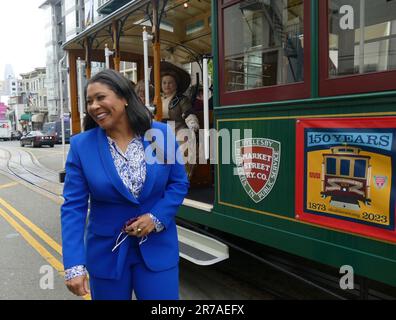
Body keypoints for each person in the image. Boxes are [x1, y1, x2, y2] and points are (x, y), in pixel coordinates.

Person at [61, 69, 189, 300]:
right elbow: (73, 207)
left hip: (157, 251)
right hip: (106, 254)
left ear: (124, 98)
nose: (93, 106)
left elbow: (178, 183)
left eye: (101, 97)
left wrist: (156, 217)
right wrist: (74, 265)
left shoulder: (160, 134)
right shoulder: (82, 146)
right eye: (89, 101)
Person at [159, 61, 200, 179]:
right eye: (164, 83)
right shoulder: (158, 99)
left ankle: (181, 178)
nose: (167, 85)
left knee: (183, 147)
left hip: (178, 130)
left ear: (176, 84)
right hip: (162, 131)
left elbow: (188, 113)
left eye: (170, 83)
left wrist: (192, 124)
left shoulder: (181, 99)